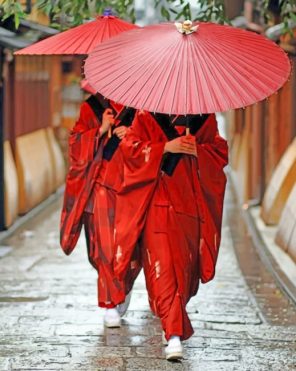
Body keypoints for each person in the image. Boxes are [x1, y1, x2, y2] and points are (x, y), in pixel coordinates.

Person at [113, 111, 228, 360]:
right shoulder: (146, 117)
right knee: (163, 267)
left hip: (189, 205)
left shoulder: (204, 119)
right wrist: (165, 146)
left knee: (184, 270)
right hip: (157, 203)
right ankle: (173, 335)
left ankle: (174, 322)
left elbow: (219, 151)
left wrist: (199, 150)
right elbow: (130, 149)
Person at [60, 91, 141, 328]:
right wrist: (101, 130)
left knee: (133, 249)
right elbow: (75, 144)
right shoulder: (92, 106)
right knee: (103, 249)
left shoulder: (143, 107)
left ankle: (122, 287)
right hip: (100, 187)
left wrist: (134, 135)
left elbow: (154, 144)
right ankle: (109, 303)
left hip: (133, 186)